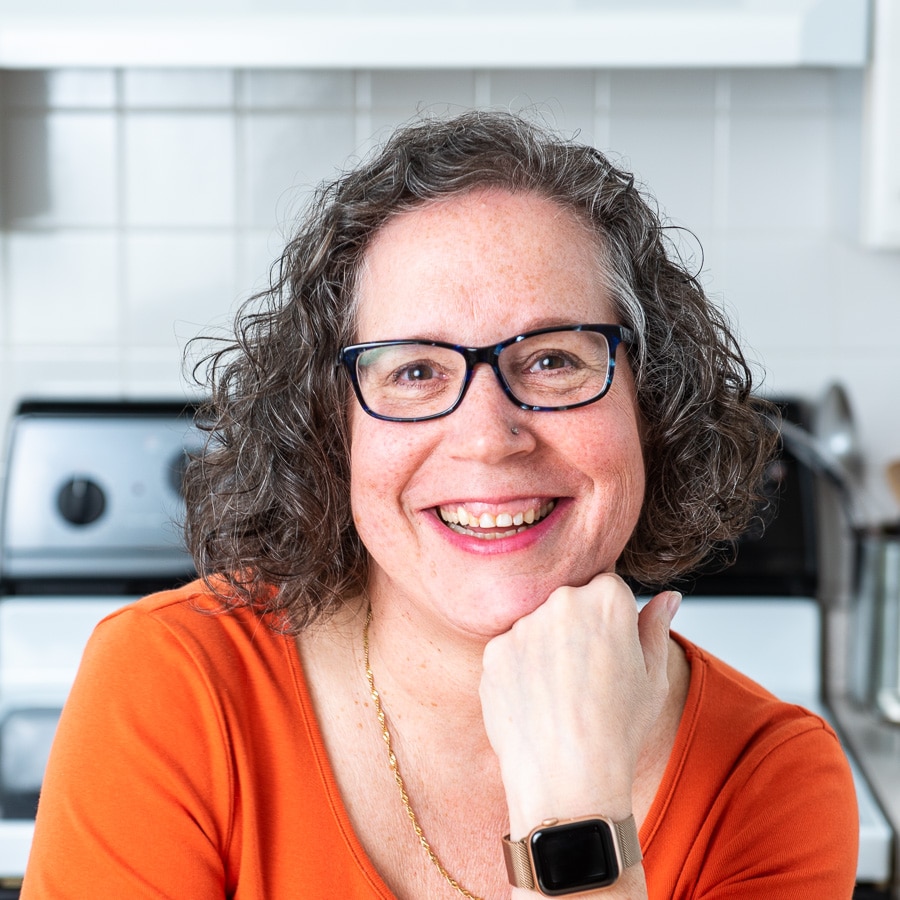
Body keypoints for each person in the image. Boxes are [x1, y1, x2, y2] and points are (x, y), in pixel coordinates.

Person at [22, 110, 858, 899]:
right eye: (415, 372)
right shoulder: (173, 687)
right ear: (332, 426)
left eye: (555, 360)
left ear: (653, 400)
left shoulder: (768, 776)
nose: (489, 437)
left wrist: (576, 803)